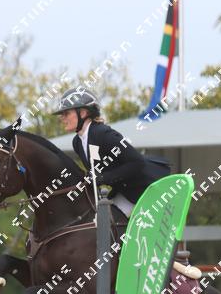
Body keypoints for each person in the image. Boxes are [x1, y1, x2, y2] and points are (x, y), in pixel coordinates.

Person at [52, 87, 170, 217]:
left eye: (66, 113)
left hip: (142, 191)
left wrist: (103, 178)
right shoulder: (77, 142)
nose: (62, 118)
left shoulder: (104, 134)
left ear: (83, 113)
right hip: (122, 191)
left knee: (107, 221)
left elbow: (137, 162)